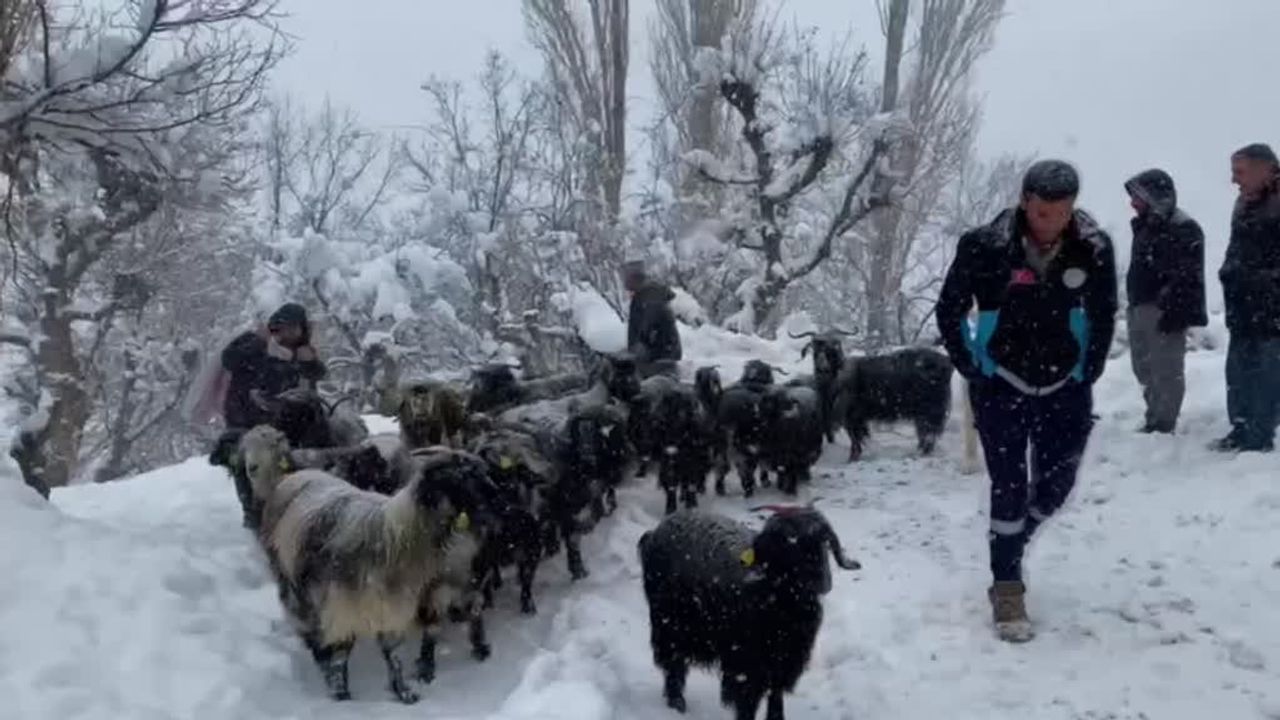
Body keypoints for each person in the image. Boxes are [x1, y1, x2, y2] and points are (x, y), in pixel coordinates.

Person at [935, 159, 1118, 643]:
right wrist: (970, 364)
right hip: (1002, 381)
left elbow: (1104, 310)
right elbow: (949, 307)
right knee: (1009, 485)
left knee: (1056, 486)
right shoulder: (985, 245)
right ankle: (1007, 586)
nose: (1050, 224)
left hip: (1066, 385)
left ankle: (1015, 539)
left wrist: (1090, 366)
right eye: (1041, 214)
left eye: (1061, 214)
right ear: (1024, 201)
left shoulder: (1094, 248)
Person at [1123, 169, 1207, 434]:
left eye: (1137, 196)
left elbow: (1188, 275)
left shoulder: (1182, 227)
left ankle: (1163, 423)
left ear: (1153, 196)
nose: (1132, 203)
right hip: (1139, 305)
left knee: (1165, 369)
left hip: (1164, 309)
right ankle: (1154, 415)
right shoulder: (1147, 225)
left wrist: (1175, 310)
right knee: (1143, 367)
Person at [1214, 143, 1280, 453]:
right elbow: (1235, 250)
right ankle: (1239, 428)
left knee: (1267, 373)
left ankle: (1260, 436)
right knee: (1238, 372)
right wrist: (1228, 272)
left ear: (1265, 169)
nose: (1234, 180)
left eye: (1239, 172)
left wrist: (1264, 282)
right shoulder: (1242, 204)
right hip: (1242, 307)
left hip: (1272, 311)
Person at [220, 302, 326, 430]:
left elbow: (316, 376)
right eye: (285, 327)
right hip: (246, 416)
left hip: (291, 422)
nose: (288, 333)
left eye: (293, 328)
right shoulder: (255, 340)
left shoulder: (302, 351)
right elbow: (229, 360)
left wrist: (310, 363)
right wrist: (256, 343)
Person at [622, 260, 682, 377]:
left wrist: (635, 353)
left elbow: (646, 332)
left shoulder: (651, 298)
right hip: (657, 358)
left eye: (625, 275)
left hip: (659, 363)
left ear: (634, 277)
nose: (623, 279)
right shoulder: (643, 296)